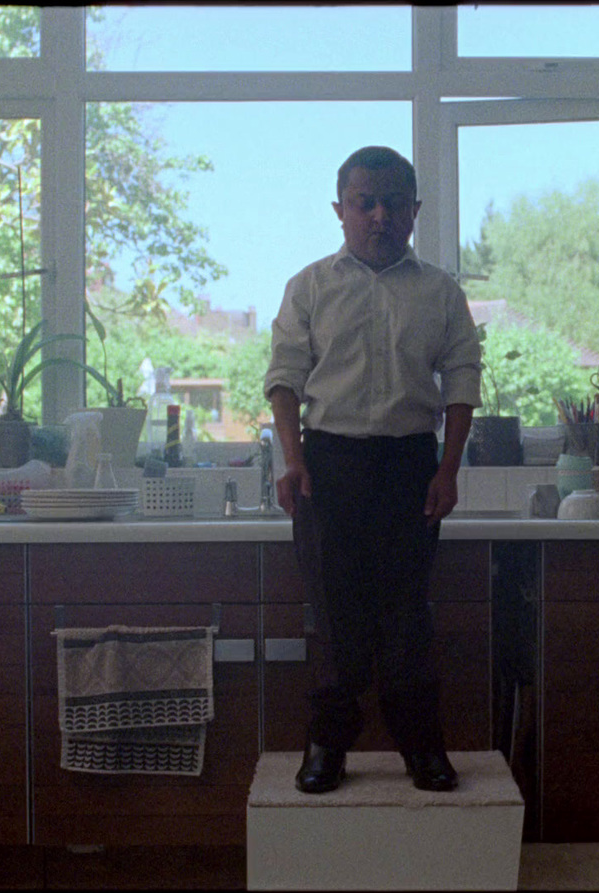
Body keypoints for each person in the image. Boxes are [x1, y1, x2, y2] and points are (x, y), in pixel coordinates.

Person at [263, 145, 482, 795]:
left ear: (414, 210)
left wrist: (448, 470)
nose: (379, 214)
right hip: (328, 466)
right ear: (341, 210)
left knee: (407, 615)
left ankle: (421, 747)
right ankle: (328, 745)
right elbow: (283, 380)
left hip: (410, 466)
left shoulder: (440, 292)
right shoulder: (309, 286)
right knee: (335, 616)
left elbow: (462, 382)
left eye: (393, 202)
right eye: (365, 202)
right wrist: (293, 461)